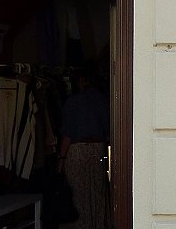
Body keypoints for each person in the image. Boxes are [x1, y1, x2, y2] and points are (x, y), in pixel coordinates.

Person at [57, 67, 110, 229]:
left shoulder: (72, 102)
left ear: (82, 81)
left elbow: (67, 135)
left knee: (77, 196)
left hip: (76, 151)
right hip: (98, 151)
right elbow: (108, 133)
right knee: (98, 195)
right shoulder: (105, 101)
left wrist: (61, 159)